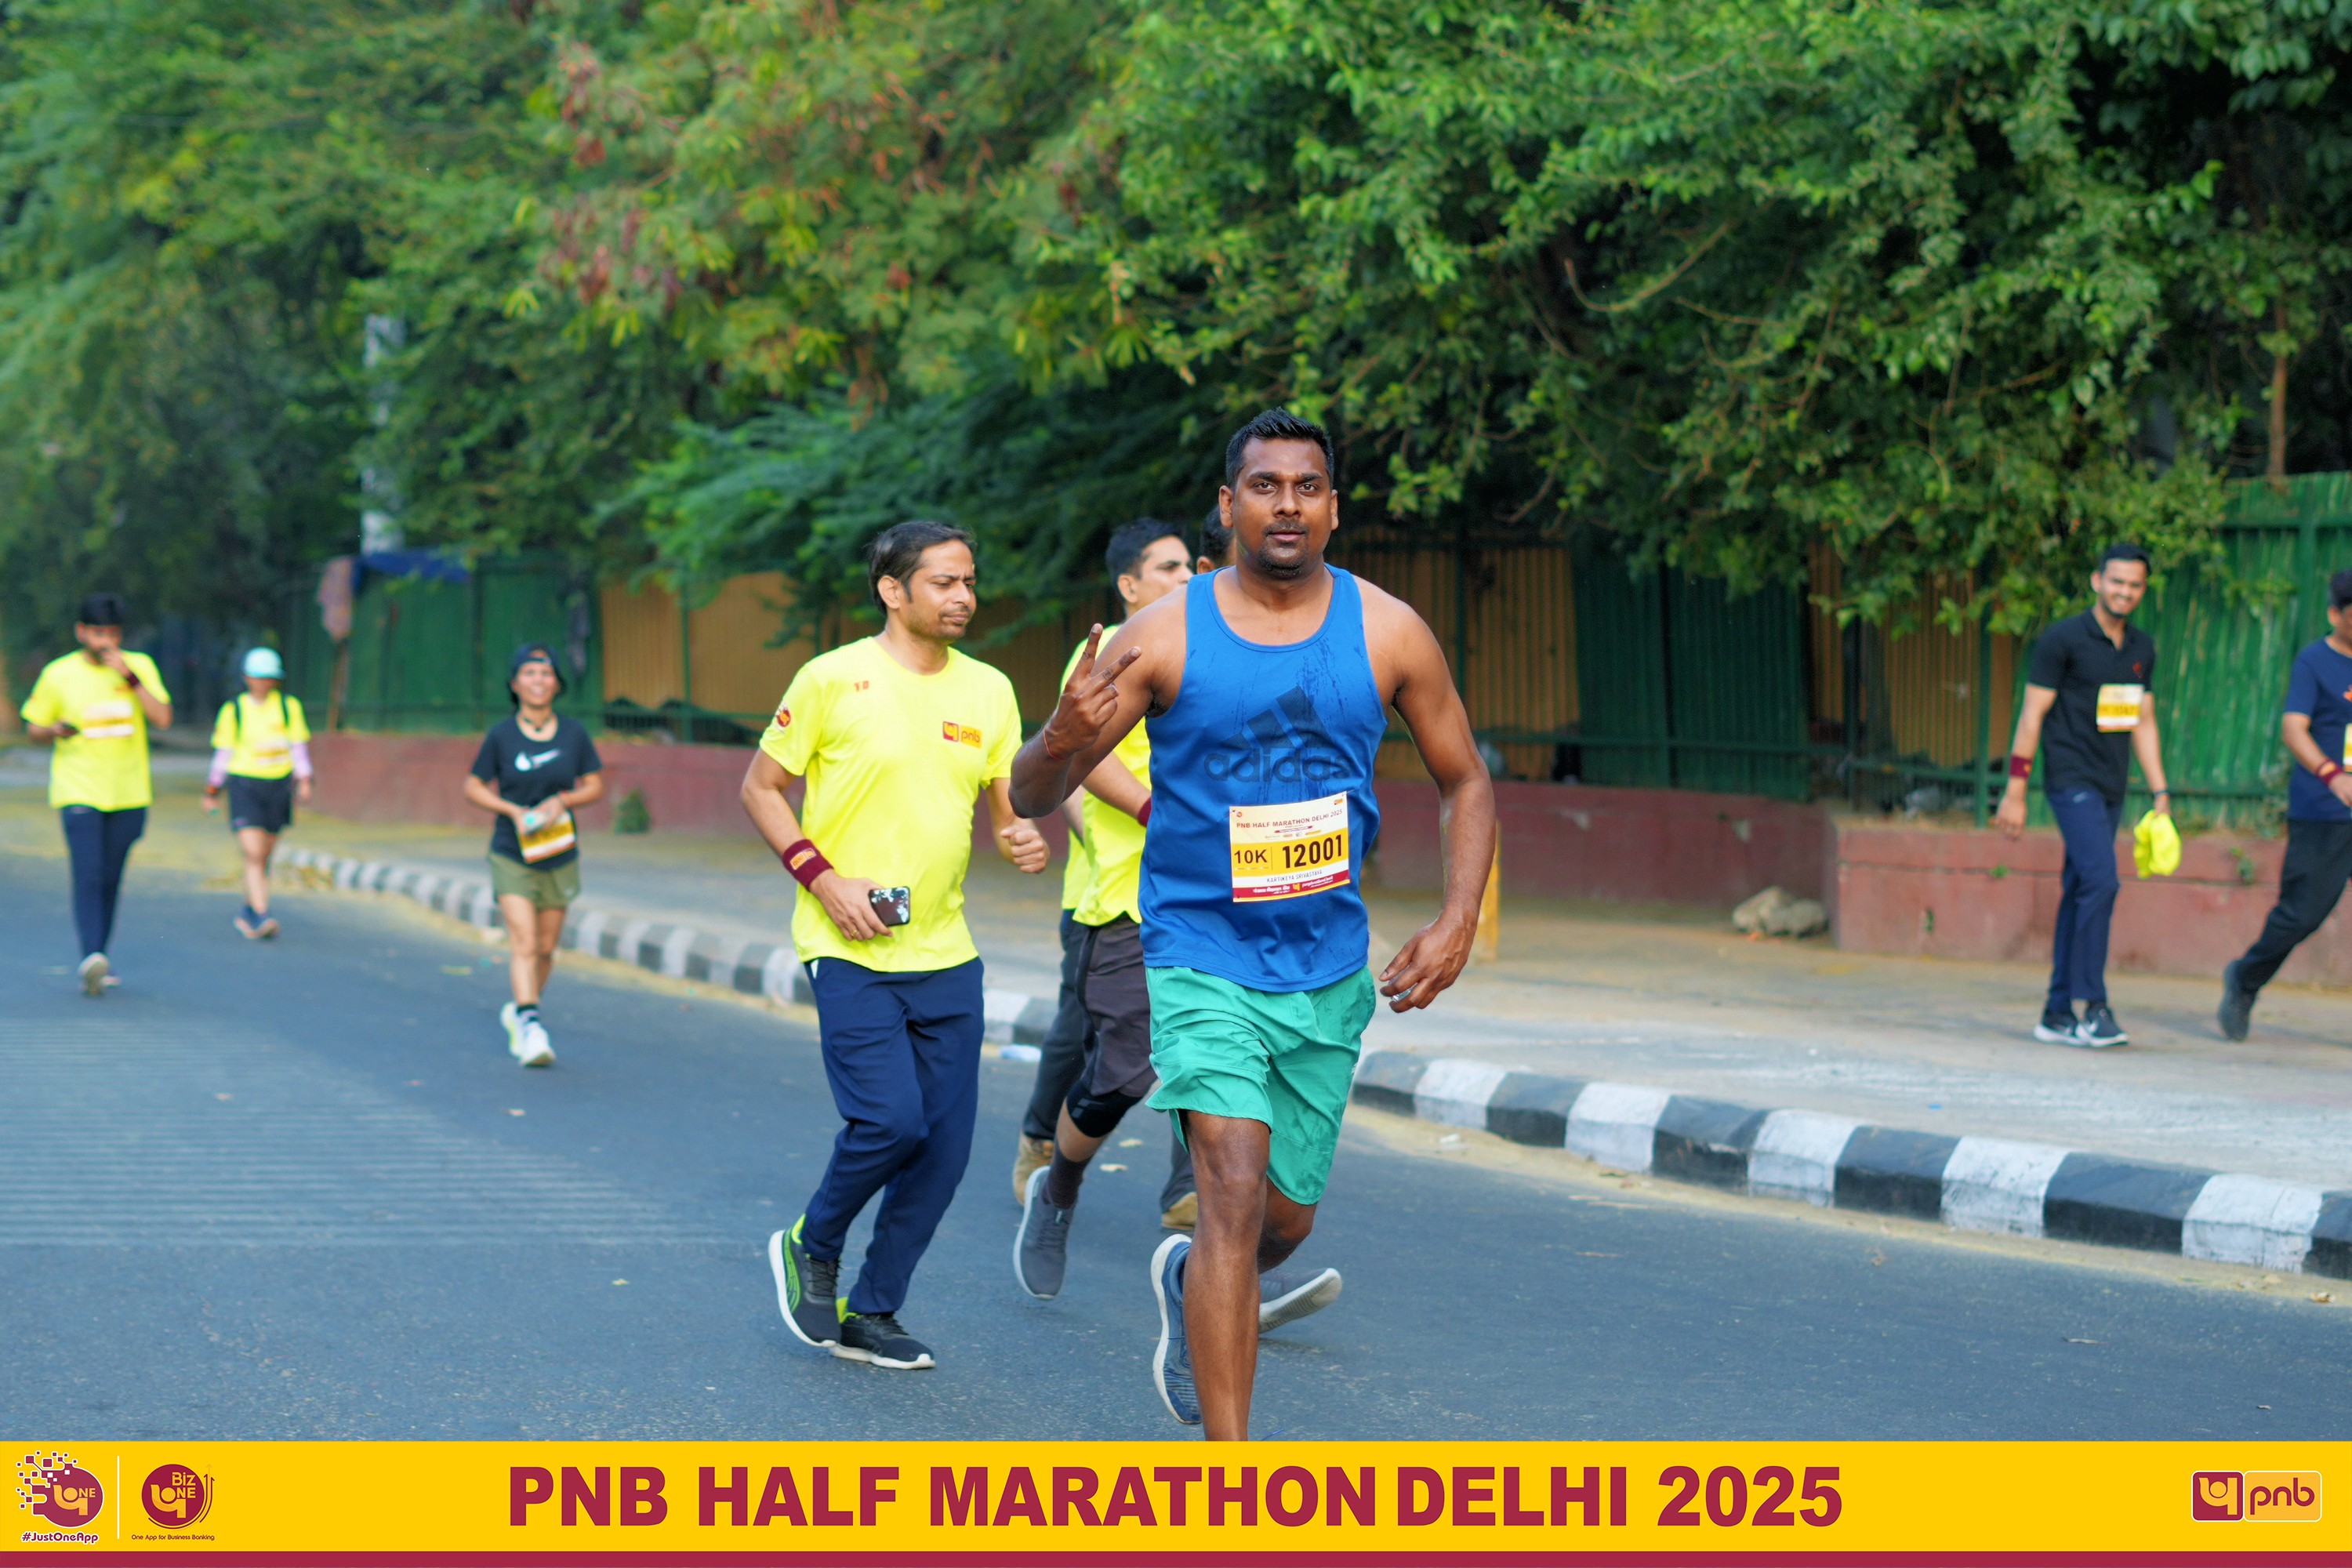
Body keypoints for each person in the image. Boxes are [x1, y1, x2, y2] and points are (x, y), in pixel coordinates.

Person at [1011, 408, 1497, 1439]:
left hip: (1326, 965)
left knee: (1283, 1220)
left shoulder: (1388, 631)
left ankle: (1191, 1279)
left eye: (1307, 487)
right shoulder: (1163, 633)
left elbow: (1465, 778)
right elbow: (1032, 790)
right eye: (1265, 486)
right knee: (1229, 1188)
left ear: (1334, 508)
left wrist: (1458, 917)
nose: (1287, 504)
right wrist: (1056, 739)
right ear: (1228, 505)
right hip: (1200, 952)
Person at [747, 520, 1051, 1373]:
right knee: (889, 1119)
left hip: (946, 951)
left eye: (970, 581)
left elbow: (1005, 812)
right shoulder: (831, 678)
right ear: (893, 589)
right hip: (847, 941)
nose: (965, 597)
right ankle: (812, 1241)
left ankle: (875, 1309)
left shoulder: (989, 689)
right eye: (945, 582)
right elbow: (761, 787)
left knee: (945, 1150)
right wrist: (823, 879)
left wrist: (1022, 838)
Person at [1014, 518, 1200, 1232]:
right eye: (1168, 567)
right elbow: (1081, 762)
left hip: (1192, 896)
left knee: (1196, 1038)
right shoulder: (1109, 654)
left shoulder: (1201, 648)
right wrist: (1151, 817)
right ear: (1129, 585)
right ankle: (1042, 1141)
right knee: (1082, 1040)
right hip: (1108, 894)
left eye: (1189, 565)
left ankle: (1188, 1190)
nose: (1186, 577)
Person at [1995, 542, 2171, 1049]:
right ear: (2097, 581)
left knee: (2081, 889)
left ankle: (2056, 1013)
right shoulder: (2063, 640)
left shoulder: (2141, 649)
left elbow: (2143, 721)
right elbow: (2032, 716)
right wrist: (2015, 791)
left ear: (2143, 590)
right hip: (2071, 781)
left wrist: (2160, 789)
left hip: (2111, 784)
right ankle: (2094, 1006)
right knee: (2102, 881)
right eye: (2116, 582)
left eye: (2134, 585)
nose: (2124, 592)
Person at [2219, 568, 2352, 1039]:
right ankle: (2245, 979)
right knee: (2302, 914)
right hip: (2325, 810)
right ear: (2336, 614)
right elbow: (2294, 729)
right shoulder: (2315, 662)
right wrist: (2332, 776)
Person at [20, 592, 173, 996]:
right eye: (98, 633)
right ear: (81, 632)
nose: (107, 642)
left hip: (129, 792)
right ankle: (91, 954)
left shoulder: (140, 667)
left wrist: (131, 679)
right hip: (79, 789)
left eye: (113, 634)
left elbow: (162, 718)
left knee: (110, 877)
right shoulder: (59, 674)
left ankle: (99, 957)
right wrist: (54, 731)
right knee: (88, 872)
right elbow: (34, 728)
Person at [463, 644, 605, 1069]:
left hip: (559, 853)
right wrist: (511, 811)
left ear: (557, 684)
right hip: (511, 852)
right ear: (515, 684)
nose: (538, 681)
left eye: (546, 674)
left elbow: (595, 785)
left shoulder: (574, 734)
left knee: (545, 949)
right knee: (523, 942)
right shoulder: (502, 736)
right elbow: (473, 786)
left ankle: (520, 1012)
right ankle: (531, 1025)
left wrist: (563, 800)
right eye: (529, 673)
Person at [205, 647, 314, 938]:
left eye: (268, 677)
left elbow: (298, 748)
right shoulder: (235, 711)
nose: (263, 682)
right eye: (258, 677)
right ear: (247, 678)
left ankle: (249, 909)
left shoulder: (288, 708)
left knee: (264, 854)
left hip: (278, 785)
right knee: (253, 852)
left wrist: (305, 779)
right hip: (245, 785)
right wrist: (212, 789)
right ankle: (263, 915)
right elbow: (224, 754)